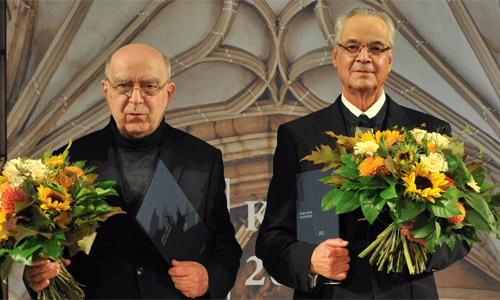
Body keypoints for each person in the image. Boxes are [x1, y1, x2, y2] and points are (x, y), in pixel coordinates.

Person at [255, 7, 470, 299]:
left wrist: (428, 243)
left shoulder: (431, 131)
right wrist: (309, 260)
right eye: (352, 47)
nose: (364, 57)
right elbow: (271, 238)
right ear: (336, 56)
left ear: (390, 60)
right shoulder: (298, 136)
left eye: (376, 48)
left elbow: (462, 230)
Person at [24, 43, 242, 299]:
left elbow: (225, 246)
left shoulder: (204, 159)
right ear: (107, 91)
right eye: (124, 86)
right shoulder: (68, 160)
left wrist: (207, 278)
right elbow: (44, 254)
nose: (136, 99)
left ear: (168, 93)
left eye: (149, 86)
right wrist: (35, 276)